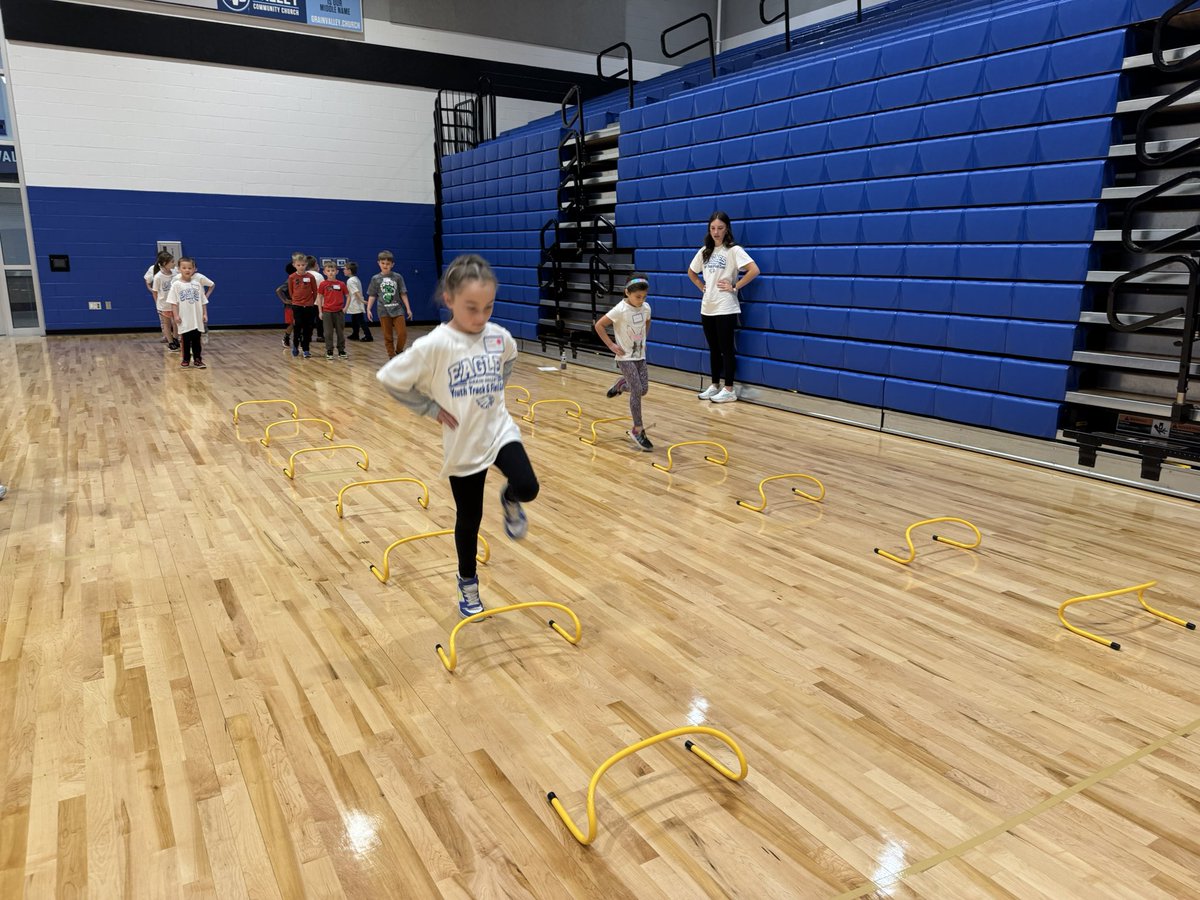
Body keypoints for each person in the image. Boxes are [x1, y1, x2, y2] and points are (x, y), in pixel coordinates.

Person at [376, 254, 538, 618]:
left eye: (488, 307)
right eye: (471, 308)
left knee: (528, 486)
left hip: (497, 430)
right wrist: (430, 409)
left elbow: (509, 358)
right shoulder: (434, 345)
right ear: (449, 300)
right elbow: (388, 378)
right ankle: (467, 582)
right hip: (463, 444)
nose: (481, 318)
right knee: (470, 519)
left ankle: (510, 499)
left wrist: (497, 388)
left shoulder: (499, 337)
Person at [686, 211, 760, 403]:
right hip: (707, 307)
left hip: (726, 306)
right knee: (713, 348)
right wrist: (701, 286)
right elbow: (691, 272)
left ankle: (729, 389)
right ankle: (714, 385)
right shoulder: (705, 251)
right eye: (713, 228)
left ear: (727, 229)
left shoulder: (734, 250)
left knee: (727, 349)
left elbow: (754, 270)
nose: (716, 232)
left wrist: (735, 286)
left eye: (720, 228)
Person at [595, 273, 653, 451]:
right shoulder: (619, 309)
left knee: (643, 390)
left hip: (640, 355)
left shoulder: (646, 308)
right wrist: (612, 345)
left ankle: (621, 385)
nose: (641, 300)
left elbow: (647, 323)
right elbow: (599, 325)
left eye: (644, 297)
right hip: (625, 357)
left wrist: (643, 340)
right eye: (637, 297)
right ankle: (637, 429)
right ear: (627, 292)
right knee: (636, 389)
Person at [167, 257, 212, 368]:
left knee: (197, 340)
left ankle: (197, 359)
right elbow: (173, 302)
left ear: (194, 269)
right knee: (186, 340)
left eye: (190, 268)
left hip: (197, 318)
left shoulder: (197, 284)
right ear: (178, 269)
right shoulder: (176, 285)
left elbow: (203, 301)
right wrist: (176, 315)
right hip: (184, 318)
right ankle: (186, 359)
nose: (187, 270)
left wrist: (205, 313)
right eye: (184, 268)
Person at [368, 250, 412, 358]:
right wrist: (368, 309)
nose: (385, 265)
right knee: (388, 336)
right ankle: (391, 355)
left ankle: (399, 351)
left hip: (397, 309)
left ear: (392, 264)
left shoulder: (398, 277)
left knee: (402, 334)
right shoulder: (375, 278)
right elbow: (372, 295)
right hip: (383, 310)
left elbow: (403, 293)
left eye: (388, 264)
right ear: (378, 263)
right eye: (383, 263)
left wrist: (408, 308)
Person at [287, 251, 320, 358]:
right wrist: (296, 300)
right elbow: (291, 291)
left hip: (309, 306)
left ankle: (306, 348)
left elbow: (315, 291)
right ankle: (295, 346)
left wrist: (310, 301)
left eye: (303, 265)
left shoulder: (310, 277)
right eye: (298, 265)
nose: (301, 267)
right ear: (294, 265)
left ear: (306, 265)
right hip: (297, 305)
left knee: (308, 328)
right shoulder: (292, 277)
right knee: (298, 326)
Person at [317, 260, 349, 360]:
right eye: (328, 270)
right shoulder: (323, 284)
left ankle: (341, 350)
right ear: (325, 272)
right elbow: (319, 297)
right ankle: (329, 350)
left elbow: (348, 296)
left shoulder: (341, 284)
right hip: (327, 311)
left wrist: (345, 308)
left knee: (340, 332)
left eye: (333, 270)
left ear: (337, 271)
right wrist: (320, 311)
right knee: (328, 333)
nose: (331, 272)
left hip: (339, 311)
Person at [151, 252, 180, 350]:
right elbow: (154, 292)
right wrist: (157, 304)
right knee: (166, 324)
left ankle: (176, 338)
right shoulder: (158, 277)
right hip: (164, 305)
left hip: (175, 304)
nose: (174, 264)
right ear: (164, 263)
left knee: (176, 323)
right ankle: (170, 342)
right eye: (172, 262)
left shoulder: (175, 272)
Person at [344, 261, 371, 342]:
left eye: (345, 269)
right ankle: (355, 334)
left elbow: (356, 292)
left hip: (356, 303)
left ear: (349, 270)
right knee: (355, 320)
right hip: (356, 303)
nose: (343, 271)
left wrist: (362, 300)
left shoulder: (350, 280)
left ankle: (368, 336)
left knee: (361, 321)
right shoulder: (355, 279)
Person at [275, 262, 296, 347]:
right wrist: (285, 300)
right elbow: (278, 290)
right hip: (290, 306)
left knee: (299, 323)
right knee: (292, 323)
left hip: (300, 305)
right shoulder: (290, 280)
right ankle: (286, 337)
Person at [307, 256, 326, 343]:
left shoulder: (303, 275)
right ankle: (320, 335)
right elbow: (323, 290)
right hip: (318, 301)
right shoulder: (319, 276)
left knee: (308, 320)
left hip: (307, 302)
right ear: (315, 264)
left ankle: (308, 336)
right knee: (320, 319)